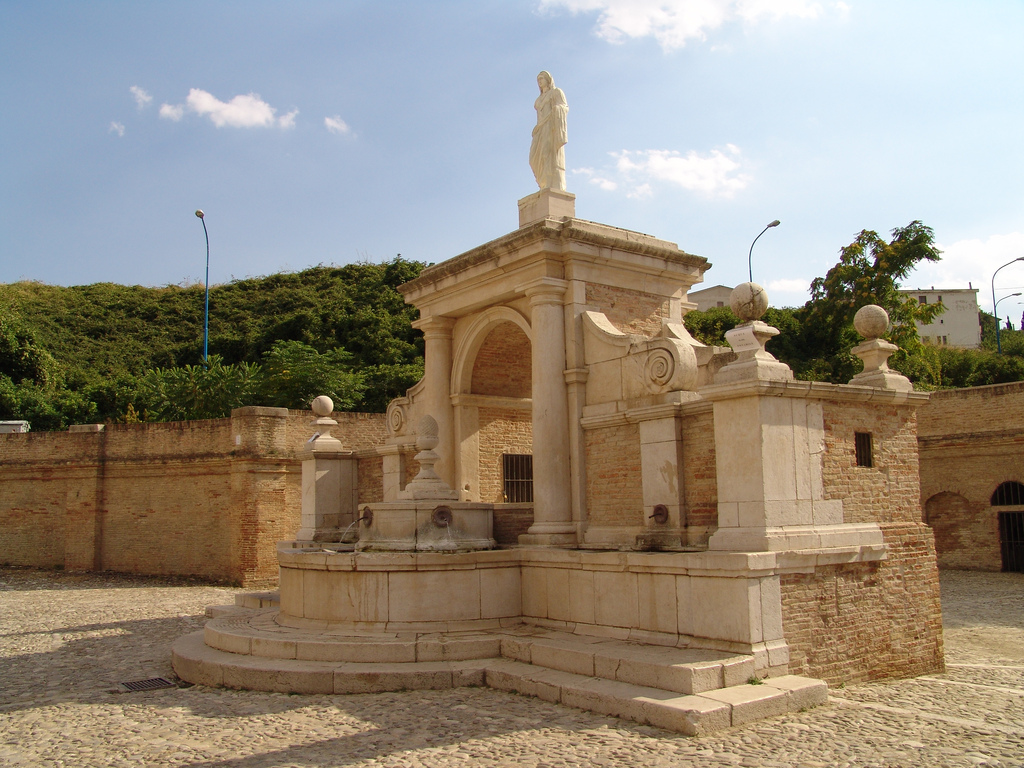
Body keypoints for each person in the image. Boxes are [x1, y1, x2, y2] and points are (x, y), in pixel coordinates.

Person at [529, 71, 568, 191]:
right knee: (533, 159)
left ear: (548, 79)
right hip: (540, 129)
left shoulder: (556, 92)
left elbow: (564, 107)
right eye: (538, 79)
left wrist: (557, 109)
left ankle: (550, 182)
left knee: (547, 153)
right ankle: (543, 182)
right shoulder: (539, 99)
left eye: (542, 78)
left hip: (550, 127)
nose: (540, 81)